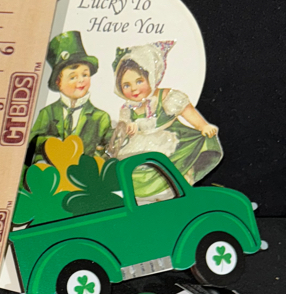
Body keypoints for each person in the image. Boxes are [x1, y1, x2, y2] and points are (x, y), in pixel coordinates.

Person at [111, 41, 222, 199]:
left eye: (139, 81)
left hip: (171, 140)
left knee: (184, 155)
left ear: (151, 76)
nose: (134, 89)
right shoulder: (127, 107)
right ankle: (146, 197)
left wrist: (202, 126)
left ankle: (182, 183)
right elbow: (122, 127)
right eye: (126, 85)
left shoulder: (165, 96)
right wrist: (128, 127)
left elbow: (187, 111)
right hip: (141, 145)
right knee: (135, 168)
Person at [28, 31, 113, 162]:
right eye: (73, 77)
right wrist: (52, 143)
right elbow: (31, 143)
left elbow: (108, 147)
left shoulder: (100, 117)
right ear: (58, 82)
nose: (81, 80)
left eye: (85, 75)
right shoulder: (48, 113)